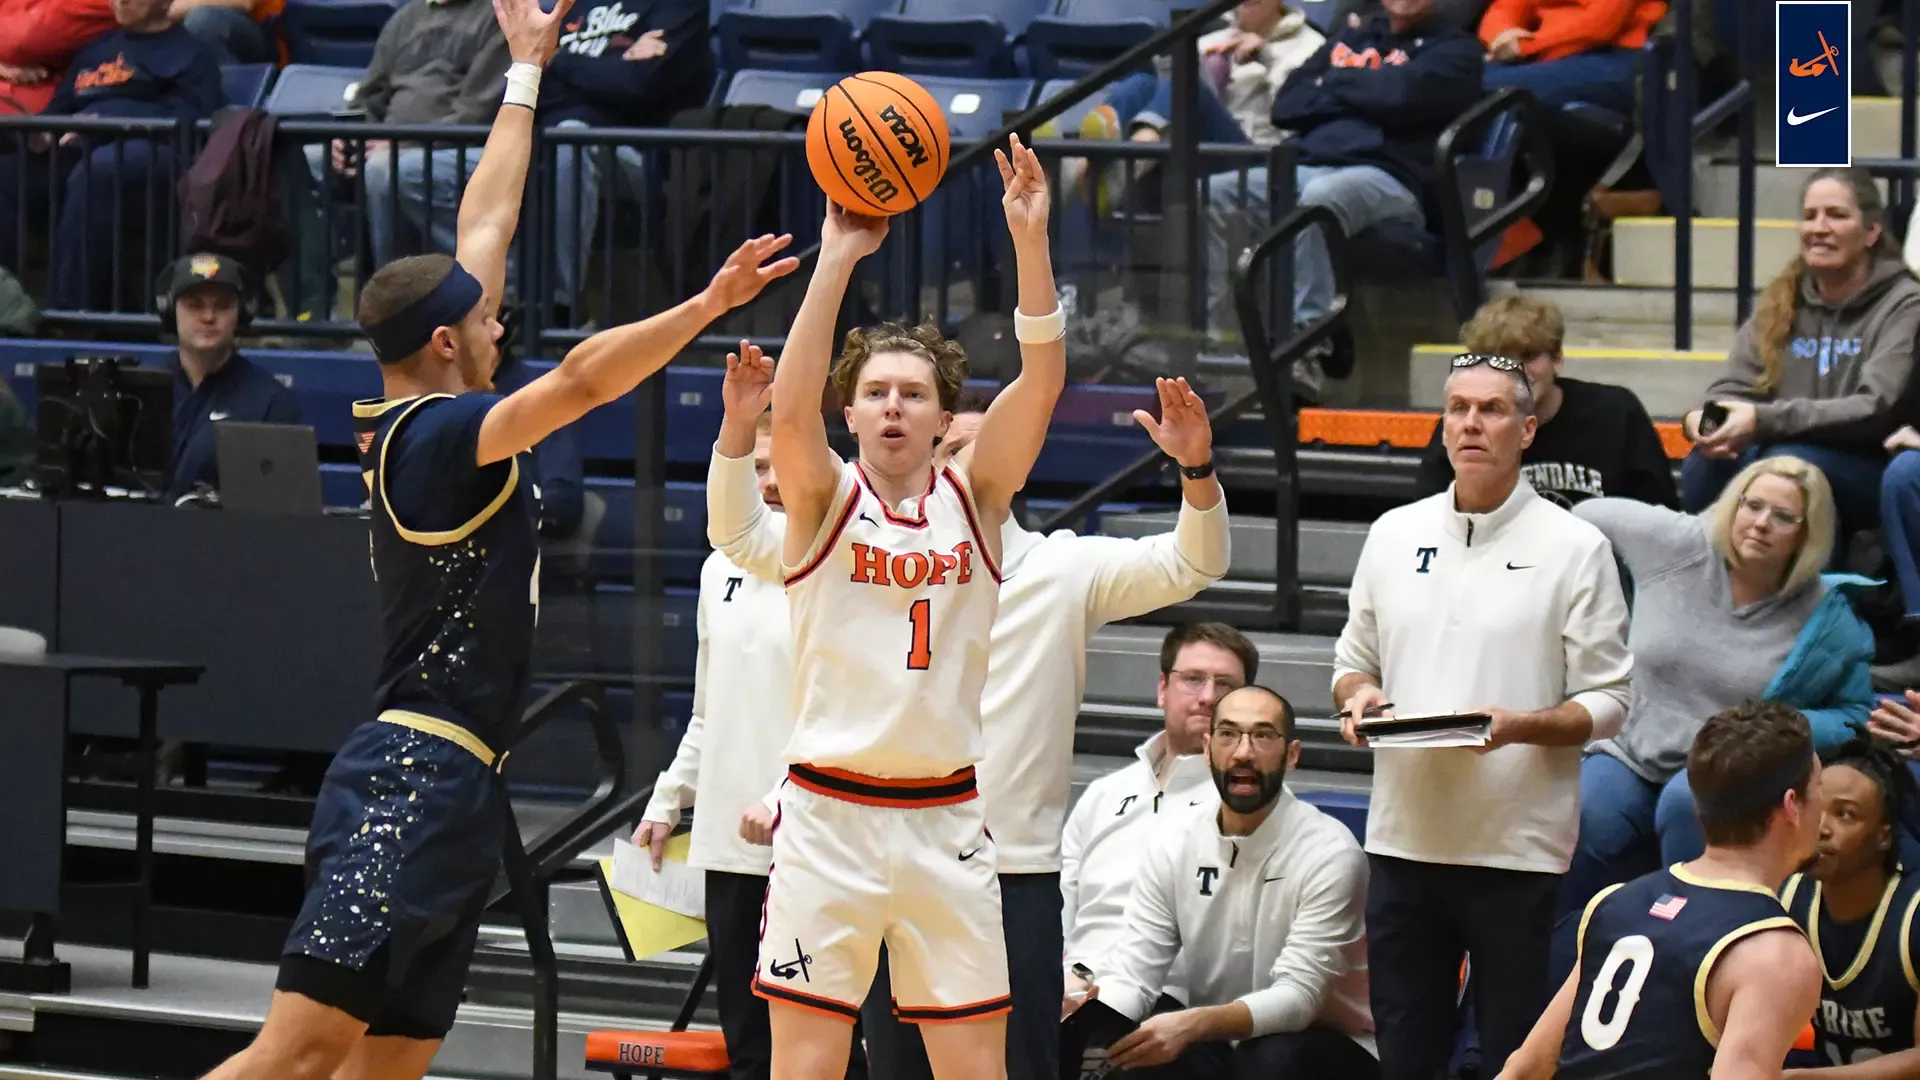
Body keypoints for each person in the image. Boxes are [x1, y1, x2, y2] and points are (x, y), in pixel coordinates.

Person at [197, 0, 798, 1074]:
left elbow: (485, 225)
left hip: (461, 784)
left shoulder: (428, 397)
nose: (501, 321)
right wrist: (705, 304)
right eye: (484, 321)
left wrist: (524, 74)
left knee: (393, 1061)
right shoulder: (436, 435)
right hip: (410, 776)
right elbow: (577, 381)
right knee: (296, 1053)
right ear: (441, 341)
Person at [707, 370, 1231, 1080]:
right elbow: (837, 689)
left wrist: (1196, 469)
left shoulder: (1064, 567)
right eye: (955, 446)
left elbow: (1197, 561)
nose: (967, 461)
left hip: (1011, 870)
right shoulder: (866, 556)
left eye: (989, 447)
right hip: (875, 842)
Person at [753, 134, 1064, 1080]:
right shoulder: (820, 500)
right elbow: (790, 407)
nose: (893, 406)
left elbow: (1042, 380)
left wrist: (1029, 243)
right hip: (827, 819)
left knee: (978, 1072)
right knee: (802, 1071)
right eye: (877, 393)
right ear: (853, 412)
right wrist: (837, 258)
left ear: (942, 415)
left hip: (945, 822)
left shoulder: (979, 499)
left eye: (914, 394)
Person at [1334, 351, 1633, 1080]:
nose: (1472, 423)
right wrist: (1360, 701)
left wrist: (1521, 725)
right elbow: (1352, 660)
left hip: (1515, 847)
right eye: (1458, 408)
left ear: (1528, 430)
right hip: (1405, 836)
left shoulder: (1576, 547)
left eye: (1493, 409)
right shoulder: (1393, 533)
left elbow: (1611, 702)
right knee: (1405, 1055)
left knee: (1510, 1057)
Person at [635, 350, 868, 1080]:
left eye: (780, 466)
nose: (769, 481)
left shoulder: (846, 561)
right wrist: (669, 798)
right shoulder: (718, 568)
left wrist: (787, 795)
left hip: (820, 837)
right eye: (757, 466)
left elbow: (862, 711)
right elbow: (711, 707)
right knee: (748, 1048)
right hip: (730, 844)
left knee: (831, 1046)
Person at [1558, 456, 1877, 977]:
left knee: (1692, 803)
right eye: (1752, 505)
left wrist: (1775, 726)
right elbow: (1588, 513)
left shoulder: (1825, 613)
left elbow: (1853, 714)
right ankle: (1557, 972)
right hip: (1631, 749)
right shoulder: (1678, 542)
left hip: (1722, 769)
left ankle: (1685, 970)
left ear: (1806, 533)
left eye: (1783, 516)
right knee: (1587, 811)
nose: (1760, 523)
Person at [1494, 701, 1826, 1080]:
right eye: (1818, 787)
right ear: (1791, 806)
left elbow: (1524, 1067)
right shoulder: (1776, 953)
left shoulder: (1614, 901)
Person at [1066, 685, 1378, 1079]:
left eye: (1262, 735)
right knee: (1126, 1051)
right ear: (1208, 748)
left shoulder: (1331, 852)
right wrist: (1086, 1022)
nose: (1243, 752)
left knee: (1270, 1060)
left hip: (1333, 1043)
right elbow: (1134, 973)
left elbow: (1300, 1000)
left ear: (1292, 754)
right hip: (1220, 1036)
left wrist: (1193, 1024)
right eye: (1228, 734)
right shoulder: (1174, 840)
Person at [1205, 0, 1485, 397]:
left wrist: (1334, 82)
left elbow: (1402, 97)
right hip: (1310, 162)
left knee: (1320, 199)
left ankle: (1309, 347)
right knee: (1216, 192)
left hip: (1391, 178)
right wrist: (1373, 87)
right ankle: (1210, 343)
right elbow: (1289, 104)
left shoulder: (1457, 49)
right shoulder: (1352, 37)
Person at [1680, 167, 1920, 547]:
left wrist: (1762, 419)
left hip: (1867, 467)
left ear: (1871, 231)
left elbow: (1876, 407)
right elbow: (1733, 387)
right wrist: (1705, 420)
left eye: (1836, 216)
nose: (1819, 227)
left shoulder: (1905, 303)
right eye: (1810, 216)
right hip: (1782, 447)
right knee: (1709, 460)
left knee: (1786, 463)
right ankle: (1702, 585)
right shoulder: (1783, 297)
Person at [1061, 623, 1258, 992]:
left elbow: (1236, 949)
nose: (1208, 696)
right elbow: (1058, 910)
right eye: (1194, 679)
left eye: (1226, 685)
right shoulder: (1102, 795)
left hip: (1173, 1006)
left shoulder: (1254, 808)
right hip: (1067, 992)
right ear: (1162, 690)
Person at [0, 0, 224, 311]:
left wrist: (107, 122)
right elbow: (59, 111)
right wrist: (40, 135)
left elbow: (191, 122)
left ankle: (69, 316)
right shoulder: (94, 51)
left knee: (98, 171)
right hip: (79, 150)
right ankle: (6, 307)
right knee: (8, 174)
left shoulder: (192, 55)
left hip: (150, 154)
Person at [1413, 294, 1677, 509]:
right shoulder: (1464, 425)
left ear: (1557, 358)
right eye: (1501, 359)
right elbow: (1426, 521)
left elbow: (1659, 522)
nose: (1516, 371)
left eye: (1528, 356)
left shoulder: (1616, 413)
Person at [1781, 735, 1920, 1075]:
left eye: (1845, 815)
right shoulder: (1786, 894)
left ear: (1883, 836)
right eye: (1816, 810)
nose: (1822, 829)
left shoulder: (1913, 916)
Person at [157, 253, 303, 503]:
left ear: (241, 313)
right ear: (170, 310)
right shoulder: (142, 389)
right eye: (195, 305)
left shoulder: (271, 402)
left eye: (222, 305)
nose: (208, 317)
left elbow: (285, 513)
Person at [171, 0, 281, 66]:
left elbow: (244, 2)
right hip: (178, 40)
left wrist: (166, 9)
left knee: (203, 20)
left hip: (261, 33)